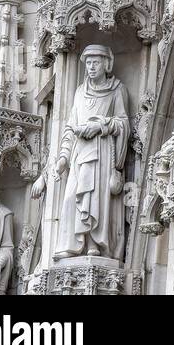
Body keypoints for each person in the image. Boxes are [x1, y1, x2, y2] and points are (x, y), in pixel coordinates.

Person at [53, 44, 130, 260]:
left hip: (102, 151)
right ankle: (75, 243)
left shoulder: (116, 90)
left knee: (96, 198)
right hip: (80, 152)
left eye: (96, 62)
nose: (91, 67)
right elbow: (70, 126)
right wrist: (62, 158)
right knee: (71, 198)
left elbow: (123, 124)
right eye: (88, 63)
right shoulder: (79, 92)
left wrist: (101, 126)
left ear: (107, 64)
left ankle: (95, 242)